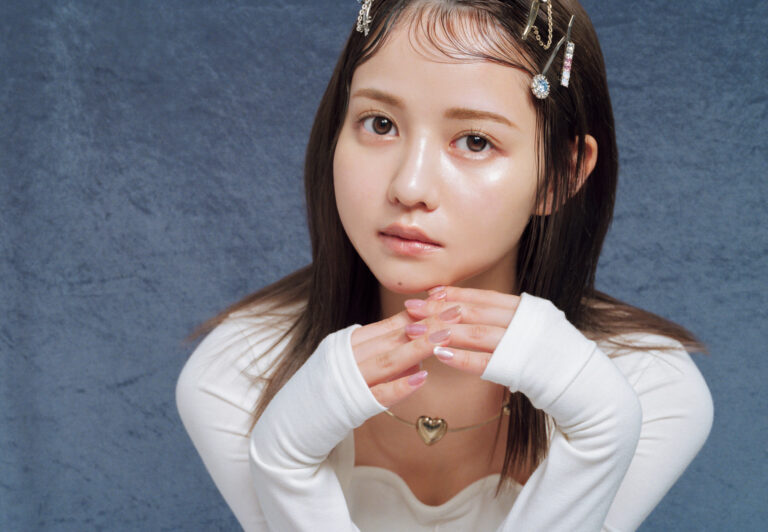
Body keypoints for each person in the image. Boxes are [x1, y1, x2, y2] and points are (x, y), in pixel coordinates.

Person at [175, 1, 714, 530]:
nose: (409, 186)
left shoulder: (646, 389)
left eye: (475, 141)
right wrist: (283, 460)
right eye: (380, 124)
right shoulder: (239, 376)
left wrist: (602, 434)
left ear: (560, 174)